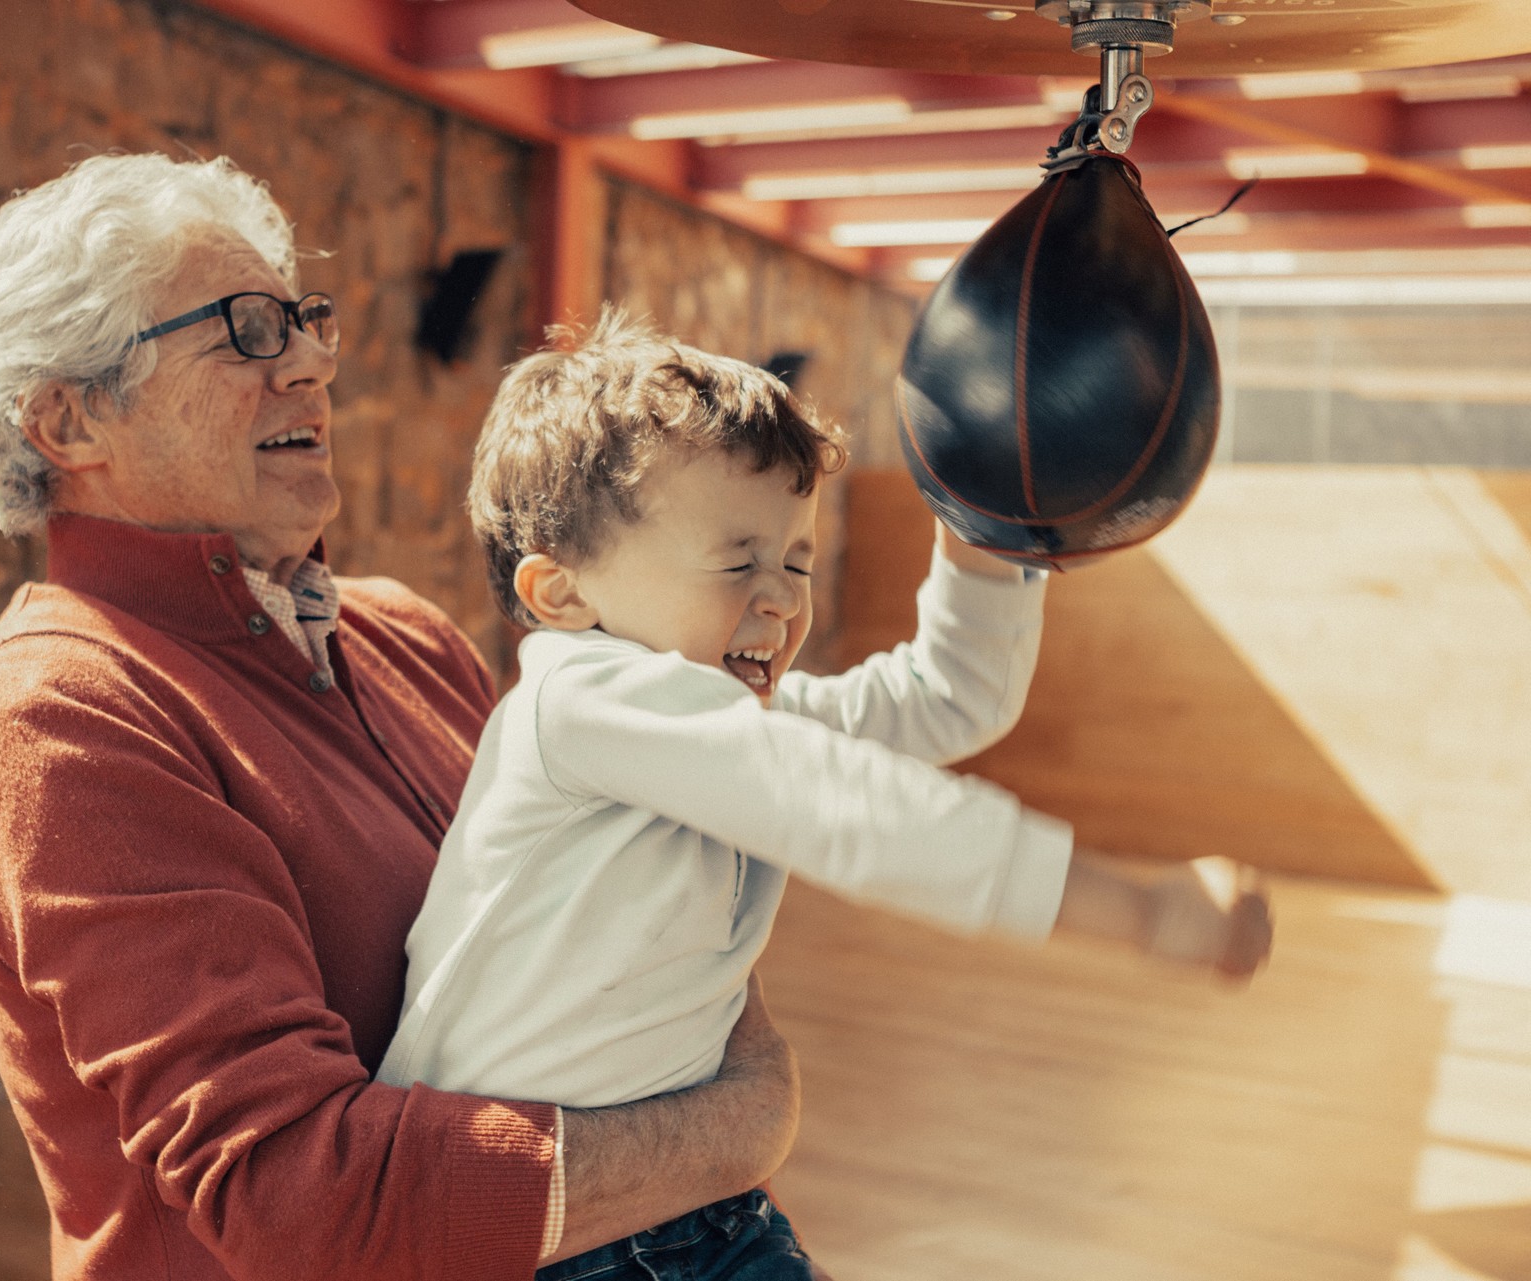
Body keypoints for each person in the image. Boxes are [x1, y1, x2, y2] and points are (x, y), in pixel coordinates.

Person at [0, 153, 807, 1281]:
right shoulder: (56, 713)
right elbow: (299, 1200)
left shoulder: (407, 632)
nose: (307, 365)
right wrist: (742, 1125)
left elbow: (617, 910)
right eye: (245, 330)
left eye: (303, 321)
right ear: (70, 420)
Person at [376, 312, 1274, 1281]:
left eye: (795, 560)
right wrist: (1135, 909)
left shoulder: (724, 721)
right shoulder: (581, 701)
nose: (782, 599)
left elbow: (943, 700)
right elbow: (845, 807)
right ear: (562, 596)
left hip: (684, 1206)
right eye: (738, 562)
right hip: (530, 1238)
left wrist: (979, 532)